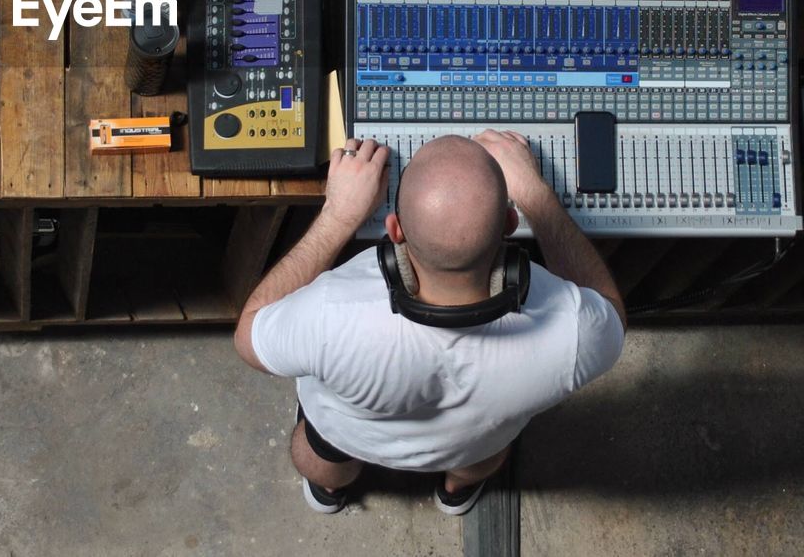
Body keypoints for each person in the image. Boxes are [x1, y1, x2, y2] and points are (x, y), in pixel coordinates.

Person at [234, 130, 626, 516]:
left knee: (321, 455)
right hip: (472, 445)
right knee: (479, 459)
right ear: (509, 224)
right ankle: (456, 492)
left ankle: (331, 489)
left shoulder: (329, 314)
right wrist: (537, 197)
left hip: (347, 433)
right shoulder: (573, 332)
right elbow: (611, 312)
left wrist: (337, 216)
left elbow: (249, 335)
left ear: (394, 231)